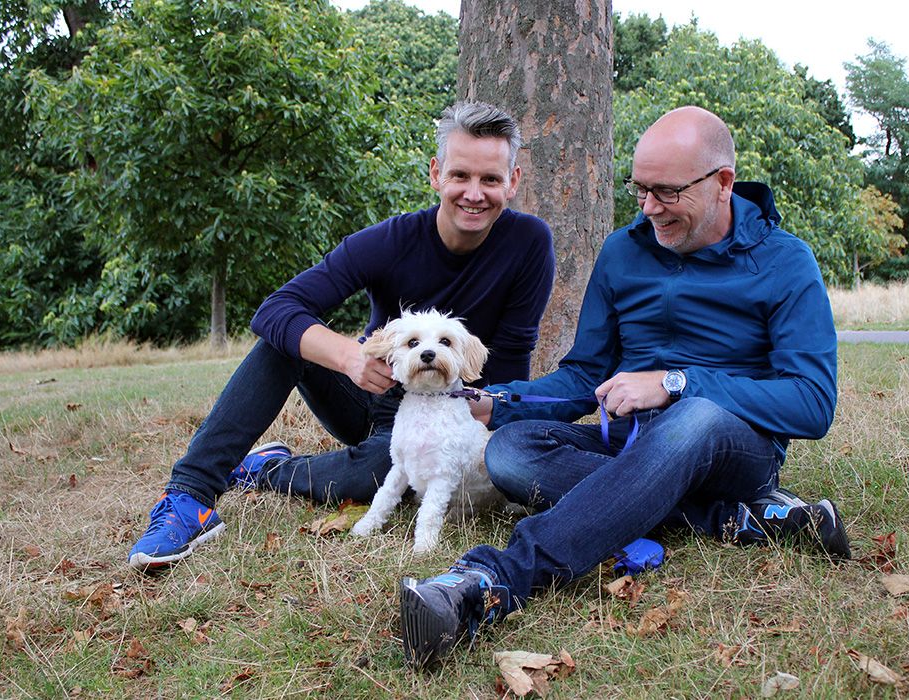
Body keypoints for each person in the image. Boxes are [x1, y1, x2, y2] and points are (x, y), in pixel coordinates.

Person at [396, 106, 851, 668]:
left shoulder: (785, 262)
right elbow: (587, 374)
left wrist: (678, 383)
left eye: (666, 192)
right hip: (630, 442)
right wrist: (505, 402)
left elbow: (812, 403)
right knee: (512, 452)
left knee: (696, 416)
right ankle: (733, 518)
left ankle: (490, 580)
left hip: (732, 446)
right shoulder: (623, 251)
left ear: (723, 184)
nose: (650, 209)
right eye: (639, 191)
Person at [127, 101, 556, 572]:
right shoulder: (388, 241)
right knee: (283, 340)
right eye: (460, 176)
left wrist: (482, 446)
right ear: (436, 174)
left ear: (512, 183)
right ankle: (190, 496)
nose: (474, 194)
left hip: (453, 410)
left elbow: (513, 360)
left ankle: (266, 469)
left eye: (490, 180)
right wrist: (351, 358)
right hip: (371, 392)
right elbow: (276, 309)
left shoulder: (530, 243)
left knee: (381, 471)